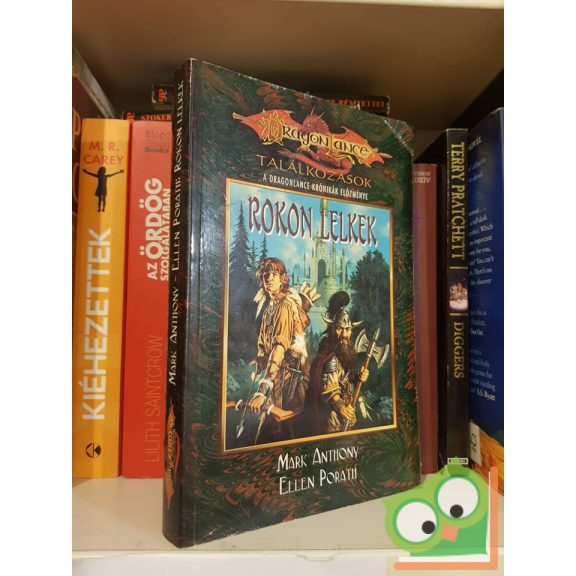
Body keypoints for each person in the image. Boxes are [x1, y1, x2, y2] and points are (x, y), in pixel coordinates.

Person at [246, 257, 318, 443]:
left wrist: (262, 390)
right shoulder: (269, 308)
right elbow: (266, 346)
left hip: (291, 382)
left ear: (283, 279)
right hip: (277, 378)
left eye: (274, 274)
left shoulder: (284, 306)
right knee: (271, 432)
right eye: (265, 275)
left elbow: (279, 349)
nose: (269, 278)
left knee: (287, 431)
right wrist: (261, 359)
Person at [308, 291, 368, 435]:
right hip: (333, 416)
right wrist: (342, 408)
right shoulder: (331, 358)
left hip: (347, 408)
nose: (344, 334)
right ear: (332, 329)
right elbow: (329, 390)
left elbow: (345, 380)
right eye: (339, 328)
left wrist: (358, 377)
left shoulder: (345, 353)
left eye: (347, 329)